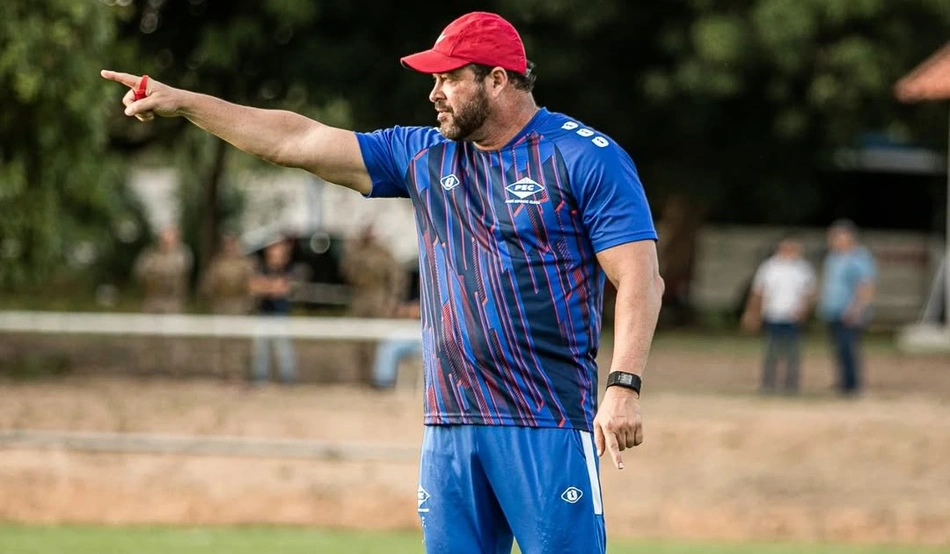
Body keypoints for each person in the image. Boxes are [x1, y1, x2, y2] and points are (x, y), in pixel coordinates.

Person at [101, 11, 664, 552]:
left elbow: (640, 278)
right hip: (449, 424)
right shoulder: (423, 154)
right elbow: (295, 141)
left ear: (496, 80)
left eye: (448, 77)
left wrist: (622, 386)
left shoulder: (583, 157)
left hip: (544, 422)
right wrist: (184, 102)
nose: (434, 92)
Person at [741, 234, 816, 394]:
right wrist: (752, 313)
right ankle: (768, 385)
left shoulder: (803, 268)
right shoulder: (769, 267)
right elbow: (758, 292)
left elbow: (809, 293)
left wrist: (804, 310)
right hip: (773, 314)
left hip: (793, 317)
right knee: (771, 351)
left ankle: (791, 386)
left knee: (793, 353)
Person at [339, 223, 407, 384]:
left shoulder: (384, 254)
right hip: (360, 298)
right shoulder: (356, 253)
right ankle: (361, 379)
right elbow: (346, 273)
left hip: (379, 299)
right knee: (359, 342)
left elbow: (397, 278)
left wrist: (392, 301)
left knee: (378, 342)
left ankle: (378, 379)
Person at [817, 219, 876, 397]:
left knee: (848, 348)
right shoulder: (833, 258)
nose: (833, 240)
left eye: (836, 236)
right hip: (833, 310)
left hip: (850, 312)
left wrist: (856, 309)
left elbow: (865, 285)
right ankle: (842, 384)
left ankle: (853, 386)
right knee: (838, 349)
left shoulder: (859, 258)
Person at [248, 238, 297, 384]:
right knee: (261, 350)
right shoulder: (261, 268)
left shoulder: (289, 269)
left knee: (284, 350)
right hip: (263, 314)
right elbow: (253, 287)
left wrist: (266, 286)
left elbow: (283, 289)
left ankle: (288, 380)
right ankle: (260, 380)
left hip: (281, 315)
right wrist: (271, 287)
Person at [133, 224, 192, 314]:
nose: (166, 240)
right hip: (151, 301)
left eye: (170, 236)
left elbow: (176, 271)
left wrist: (156, 269)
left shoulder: (182, 255)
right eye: (164, 236)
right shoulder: (149, 255)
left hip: (173, 302)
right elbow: (139, 273)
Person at [200, 232, 256, 316]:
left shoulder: (246, 263)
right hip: (220, 304)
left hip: (240, 305)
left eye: (233, 244)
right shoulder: (217, 263)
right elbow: (208, 284)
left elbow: (252, 284)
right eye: (228, 244)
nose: (230, 247)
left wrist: (250, 304)